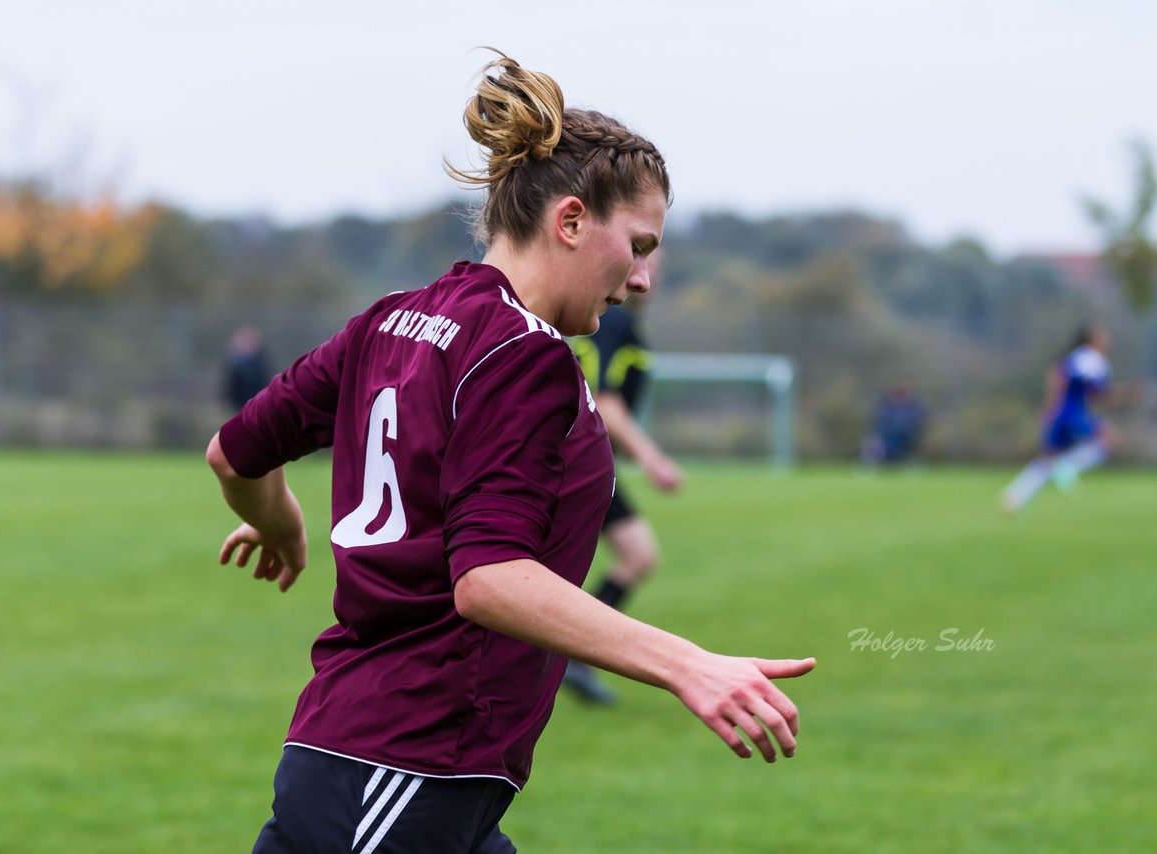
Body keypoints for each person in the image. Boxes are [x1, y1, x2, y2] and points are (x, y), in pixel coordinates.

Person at [205, 50, 815, 853]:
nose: (641, 279)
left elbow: (234, 454)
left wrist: (277, 517)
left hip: (381, 761)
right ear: (569, 222)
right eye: (636, 246)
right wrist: (686, 664)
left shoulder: (392, 318)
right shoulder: (525, 355)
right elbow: (490, 581)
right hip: (405, 767)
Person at [561, 251, 683, 705]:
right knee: (635, 553)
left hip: (586, 461)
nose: (646, 278)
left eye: (655, 266)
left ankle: (567, 656)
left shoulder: (617, 322)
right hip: (577, 460)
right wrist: (653, 460)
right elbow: (606, 401)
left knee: (634, 555)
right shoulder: (610, 322)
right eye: (639, 261)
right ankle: (564, 654)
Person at [1001, 323, 1114, 514]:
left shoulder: (1071, 358)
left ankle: (1014, 498)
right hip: (1073, 413)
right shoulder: (1091, 358)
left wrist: (1050, 405)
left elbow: (1057, 378)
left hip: (1058, 413)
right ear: (1092, 340)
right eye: (1102, 336)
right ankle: (1067, 467)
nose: (1107, 339)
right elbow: (1099, 392)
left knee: (1048, 458)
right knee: (1105, 441)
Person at [859, 380, 928, 468]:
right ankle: (872, 463)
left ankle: (896, 461)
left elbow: (917, 423)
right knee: (873, 442)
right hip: (885, 436)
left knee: (897, 438)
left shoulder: (913, 407)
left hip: (907, 437)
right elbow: (879, 422)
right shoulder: (886, 406)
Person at [223, 325, 272, 411]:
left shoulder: (259, 361)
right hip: (239, 403)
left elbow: (263, 383)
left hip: (256, 402)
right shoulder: (235, 362)